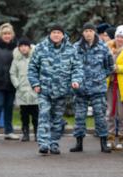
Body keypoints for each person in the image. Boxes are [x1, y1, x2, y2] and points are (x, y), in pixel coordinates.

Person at [28, 24, 83, 155]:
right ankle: (43, 144)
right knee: (44, 115)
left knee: (57, 119)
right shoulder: (41, 48)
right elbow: (32, 68)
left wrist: (76, 81)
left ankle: (54, 144)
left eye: (59, 32)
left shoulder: (71, 49)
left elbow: (77, 68)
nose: (56, 35)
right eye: (54, 32)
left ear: (63, 35)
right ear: (50, 34)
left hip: (62, 91)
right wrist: (35, 83)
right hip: (44, 90)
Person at [71, 23, 114, 153]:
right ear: (82, 33)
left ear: (94, 32)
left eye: (90, 31)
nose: (88, 33)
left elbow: (109, 67)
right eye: (86, 31)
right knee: (79, 117)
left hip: (97, 89)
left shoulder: (103, 47)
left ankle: (103, 143)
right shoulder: (75, 47)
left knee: (100, 116)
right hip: (80, 89)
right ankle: (79, 143)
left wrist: (100, 77)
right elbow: (71, 66)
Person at [9, 37, 38, 142]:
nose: (23, 48)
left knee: (36, 114)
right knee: (24, 114)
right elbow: (13, 73)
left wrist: (38, 84)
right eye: (21, 46)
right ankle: (25, 133)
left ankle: (37, 133)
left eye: (25, 46)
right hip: (22, 91)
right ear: (19, 48)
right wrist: (17, 84)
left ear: (29, 47)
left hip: (34, 90)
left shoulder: (35, 58)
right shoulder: (16, 60)